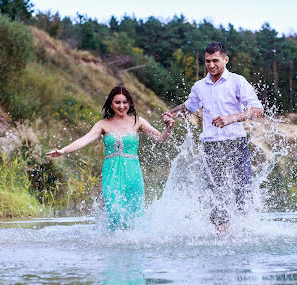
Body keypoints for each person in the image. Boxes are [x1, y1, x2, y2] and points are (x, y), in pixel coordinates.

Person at [162, 41, 264, 233]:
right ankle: (221, 236)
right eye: (207, 61)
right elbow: (188, 107)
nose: (211, 65)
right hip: (211, 146)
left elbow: (257, 110)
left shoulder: (237, 81)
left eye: (215, 60)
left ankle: (244, 234)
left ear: (225, 60)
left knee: (242, 191)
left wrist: (232, 118)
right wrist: (170, 113)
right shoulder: (200, 86)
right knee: (215, 194)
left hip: (235, 143)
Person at [47, 86, 175, 230]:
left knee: (135, 215)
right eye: (117, 102)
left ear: (130, 103)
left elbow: (161, 138)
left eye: (125, 102)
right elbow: (84, 140)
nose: (122, 106)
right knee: (114, 212)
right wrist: (63, 151)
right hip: (111, 174)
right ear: (111, 104)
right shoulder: (103, 124)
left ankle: (133, 248)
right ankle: (113, 247)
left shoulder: (138, 121)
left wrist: (169, 127)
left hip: (133, 174)